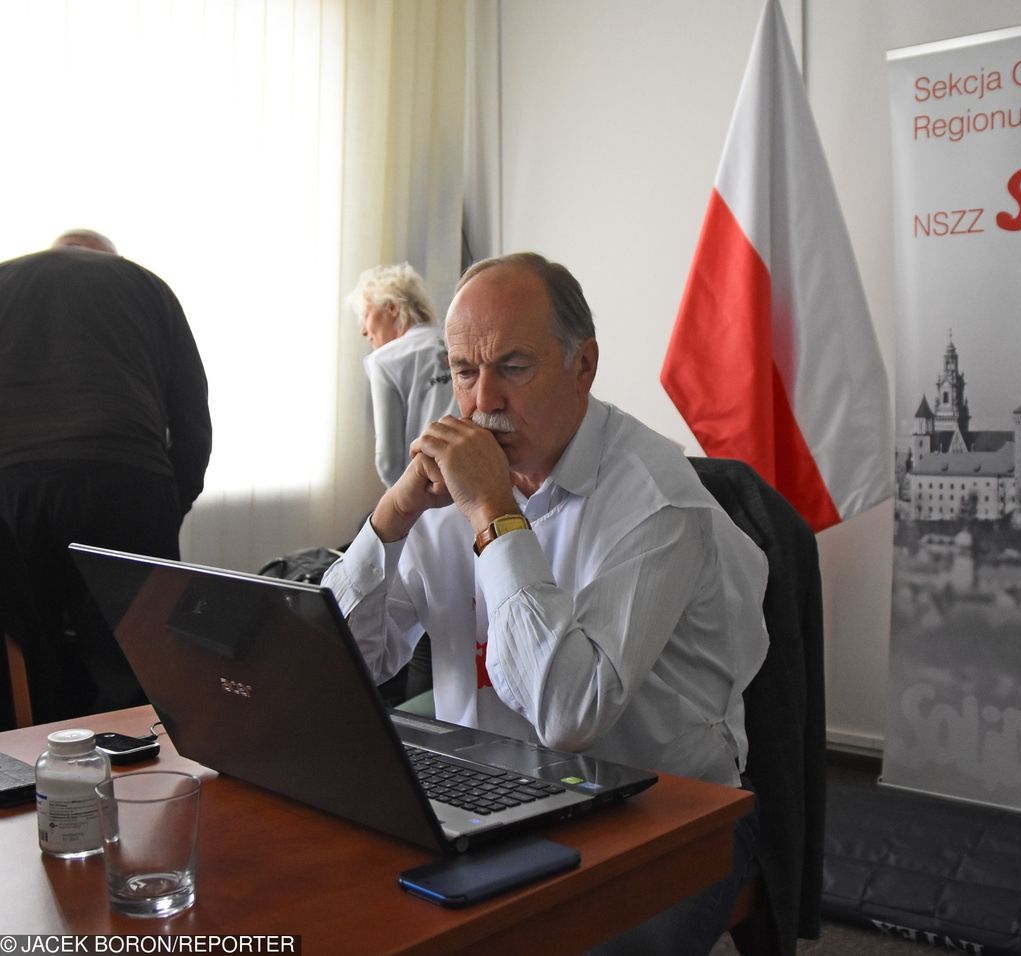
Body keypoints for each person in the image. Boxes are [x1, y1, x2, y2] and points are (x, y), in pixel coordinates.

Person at [323, 252, 768, 954]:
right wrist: (391, 516)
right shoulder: (446, 485)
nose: (483, 402)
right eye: (465, 372)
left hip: (660, 815)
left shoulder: (655, 502)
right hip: (486, 790)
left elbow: (569, 713)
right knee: (325, 901)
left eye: (514, 367)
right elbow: (345, 667)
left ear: (583, 366)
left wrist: (494, 513)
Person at [0, 229, 212, 721]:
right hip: (125, 480)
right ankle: (136, 777)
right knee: (134, 655)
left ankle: (42, 779)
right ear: (108, 258)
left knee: (29, 656)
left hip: (12, 486)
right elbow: (191, 413)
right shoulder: (144, 284)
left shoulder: (5, 280)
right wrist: (168, 502)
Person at [350, 263, 457, 488]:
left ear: (392, 308)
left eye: (366, 315)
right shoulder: (456, 343)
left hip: (428, 497)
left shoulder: (386, 360)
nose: (363, 331)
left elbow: (389, 462)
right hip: (480, 486)